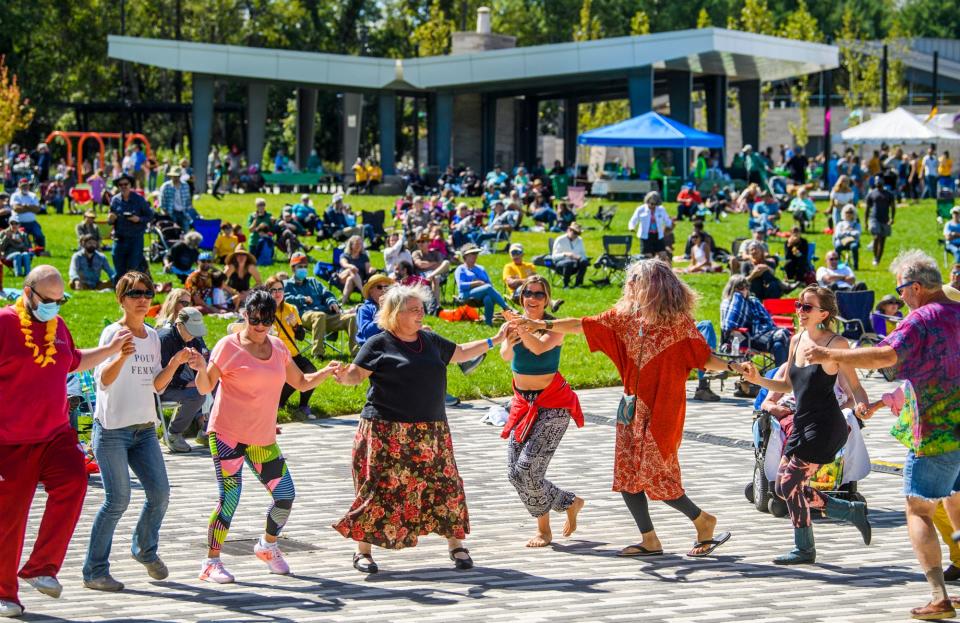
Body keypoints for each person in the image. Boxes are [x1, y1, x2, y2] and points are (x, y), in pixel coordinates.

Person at [517, 259, 734, 558]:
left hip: (662, 410)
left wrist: (733, 366)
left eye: (635, 280)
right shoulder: (624, 318)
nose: (629, 285)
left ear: (654, 286)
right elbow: (582, 324)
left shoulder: (677, 325)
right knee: (628, 475)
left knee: (657, 473)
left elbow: (702, 357)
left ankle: (703, 520)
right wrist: (542, 324)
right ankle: (650, 539)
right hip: (631, 409)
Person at [804, 250, 960, 620]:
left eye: (901, 290)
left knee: (919, 508)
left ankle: (939, 597)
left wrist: (832, 355)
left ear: (916, 287)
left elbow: (885, 356)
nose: (900, 297)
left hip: (935, 432)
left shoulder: (919, 320)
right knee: (954, 496)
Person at [332, 284, 510, 573]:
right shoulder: (379, 343)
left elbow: (461, 352)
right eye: (414, 309)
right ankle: (362, 552)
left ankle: (456, 545)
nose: (421, 314)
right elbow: (356, 374)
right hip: (386, 431)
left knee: (445, 486)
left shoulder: (429, 340)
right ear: (395, 314)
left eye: (421, 308)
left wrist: (495, 339)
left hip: (431, 432)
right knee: (376, 489)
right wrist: (342, 376)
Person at [0, 265, 132, 617]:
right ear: (27, 293)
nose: (54, 308)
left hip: (54, 434)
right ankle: (5, 593)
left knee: (75, 479)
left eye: (61, 301)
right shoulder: (4, 324)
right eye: (48, 301)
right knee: (10, 519)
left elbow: (73, 362)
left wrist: (111, 350)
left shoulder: (57, 326)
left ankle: (41, 567)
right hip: (9, 442)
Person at [191, 290, 338, 582]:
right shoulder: (228, 346)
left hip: (261, 438)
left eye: (267, 320)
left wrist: (327, 371)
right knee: (229, 499)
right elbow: (205, 386)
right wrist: (198, 368)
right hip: (227, 435)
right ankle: (211, 562)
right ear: (244, 315)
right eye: (255, 319)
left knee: (285, 496)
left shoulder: (278, 347)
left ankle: (268, 545)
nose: (260, 326)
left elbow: (301, 381)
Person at [739, 286, 871, 566]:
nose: (800, 311)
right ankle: (847, 512)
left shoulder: (837, 345)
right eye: (798, 305)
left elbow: (856, 387)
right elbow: (787, 385)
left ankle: (808, 546)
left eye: (807, 307)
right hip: (801, 423)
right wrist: (758, 380)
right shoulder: (796, 340)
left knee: (788, 484)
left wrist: (862, 406)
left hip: (825, 426)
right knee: (783, 489)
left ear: (823, 313)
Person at [83, 272, 192, 591]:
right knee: (117, 500)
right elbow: (102, 380)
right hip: (112, 431)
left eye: (148, 293)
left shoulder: (153, 336)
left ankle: (144, 550)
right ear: (122, 299)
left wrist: (173, 364)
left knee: (160, 493)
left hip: (144, 430)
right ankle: (94, 571)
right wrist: (121, 356)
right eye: (135, 294)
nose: (143, 299)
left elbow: (156, 385)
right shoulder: (112, 333)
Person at [498, 276, 584, 547]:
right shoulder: (513, 325)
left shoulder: (553, 327)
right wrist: (509, 337)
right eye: (527, 293)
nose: (532, 299)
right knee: (514, 473)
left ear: (547, 299)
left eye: (538, 294)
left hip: (553, 404)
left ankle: (543, 531)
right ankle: (569, 502)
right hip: (523, 404)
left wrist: (521, 329)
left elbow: (538, 348)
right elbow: (505, 356)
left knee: (527, 470)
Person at [265, 275, 319, 420]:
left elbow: (301, 337)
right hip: (274, 355)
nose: (277, 293)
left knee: (311, 372)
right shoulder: (264, 311)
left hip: (292, 353)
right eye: (273, 290)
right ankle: (280, 403)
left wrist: (295, 324)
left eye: (280, 289)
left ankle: (303, 406)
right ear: (267, 292)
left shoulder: (290, 309)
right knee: (292, 377)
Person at [284, 252, 357, 358]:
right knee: (319, 315)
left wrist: (332, 302)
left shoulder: (313, 282)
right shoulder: (286, 284)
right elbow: (285, 299)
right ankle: (318, 353)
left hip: (325, 316)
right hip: (303, 316)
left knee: (352, 317)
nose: (303, 269)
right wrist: (302, 299)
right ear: (293, 268)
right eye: (300, 267)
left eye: (305, 267)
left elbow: (327, 294)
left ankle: (356, 352)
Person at [157, 306, 211, 452]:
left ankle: (208, 428)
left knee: (213, 383)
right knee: (197, 395)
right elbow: (159, 376)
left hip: (181, 382)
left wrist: (201, 375)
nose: (193, 335)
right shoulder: (164, 340)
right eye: (190, 330)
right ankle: (173, 434)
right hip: (162, 388)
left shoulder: (195, 340)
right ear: (179, 325)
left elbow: (200, 367)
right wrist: (186, 383)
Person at [721, 274, 790, 367]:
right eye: (740, 287)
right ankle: (782, 376)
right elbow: (728, 325)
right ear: (732, 288)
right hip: (743, 339)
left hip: (761, 336)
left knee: (778, 345)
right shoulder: (729, 304)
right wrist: (738, 298)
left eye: (746, 287)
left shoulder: (752, 301)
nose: (744, 290)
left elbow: (768, 321)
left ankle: (782, 374)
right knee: (781, 340)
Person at [109, 173, 153, 278]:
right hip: (119, 238)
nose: (123, 186)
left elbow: (150, 215)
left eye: (126, 184)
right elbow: (111, 219)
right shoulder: (115, 200)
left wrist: (138, 219)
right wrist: (111, 219)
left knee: (133, 268)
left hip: (135, 238)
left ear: (130, 185)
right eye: (120, 185)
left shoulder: (139, 199)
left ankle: (131, 291)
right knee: (119, 269)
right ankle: (120, 291)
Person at [453, 245, 511, 326]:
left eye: (476, 253)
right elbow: (461, 286)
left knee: (488, 298)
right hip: (465, 295)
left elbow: (489, 283)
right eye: (472, 254)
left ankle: (488, 323)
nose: (475, 255)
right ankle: (506, 308)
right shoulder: (460, 269)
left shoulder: (481, 268)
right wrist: (478, 283)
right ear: (465, 256)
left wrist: (481, 285)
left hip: (482, 293)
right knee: (487, 288)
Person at [627, 191, 673, 256]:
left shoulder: (661, 209)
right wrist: (631, 227)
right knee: (648, 256)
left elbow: (667, 220)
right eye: (651, 203)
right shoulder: (640, 209)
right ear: (647, 201)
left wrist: (670, 225)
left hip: (658, 235)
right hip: (645, 236)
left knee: (663, 255)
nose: (652, 205)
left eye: (655, 204)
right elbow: (633, 220)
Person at [865, 174, 895, 266]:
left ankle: (878, 259)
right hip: (874, 218)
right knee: (876, 237)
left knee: (882, 240)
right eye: (876, 180)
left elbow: (893, 207)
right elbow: (867, 209)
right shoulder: (871, 194)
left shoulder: (889, 194)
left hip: (885, 219)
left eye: (879, 180)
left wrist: (892, 218)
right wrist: (866, 222)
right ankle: (875, 256)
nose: (878, 182)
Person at [338, 235, 375, 305]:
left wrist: (371, 269)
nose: (359, 246)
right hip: (342, 277)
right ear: (351, 245)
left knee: (350, 279)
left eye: (360, 244)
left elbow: (368, 270)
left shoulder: (364, 257)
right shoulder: (345, 255)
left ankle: (343, 302)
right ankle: (364, 292)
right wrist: (351, 266)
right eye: (357, 243)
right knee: (351, 271)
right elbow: (343, 264)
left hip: (357, 280)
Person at [550, 222, 590, 288]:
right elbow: (554, 257)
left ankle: (578, 284)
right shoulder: (560, 240)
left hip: (576, 263)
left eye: (578, 233)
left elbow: (583, 254)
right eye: (574, 233)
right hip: (560, 265)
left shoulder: (580, 240)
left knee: (584, 261)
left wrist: (581, 258)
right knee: (569, 262)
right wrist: (565, 254)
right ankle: (566, 285)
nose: (576, 235)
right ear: (569, 230)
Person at [9, 178, 45, 250]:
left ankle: (40, 250)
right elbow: (16, 209)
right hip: (18, 223)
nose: (25, 187)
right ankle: (26, 250)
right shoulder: (15, 196)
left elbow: (37, 209)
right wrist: (31, 208)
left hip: (32, 222)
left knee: (39, 235)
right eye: (23, 186)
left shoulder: (33, 195)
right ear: (19, 186)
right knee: (23, 237)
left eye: (26, 185)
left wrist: (24, 206)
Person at [158, 166, 192, 231]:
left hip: (183, 212)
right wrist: (165, 212)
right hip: (171, 213)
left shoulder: (185, 185)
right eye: (174, 176)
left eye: (177, 176)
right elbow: (162, 201)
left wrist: (189, 210)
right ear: (171, 176)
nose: (175, 178)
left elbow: (188, 200)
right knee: (173, 232)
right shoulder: (165, 186)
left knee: (186, 230)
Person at [833, 204, 863, 270]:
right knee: (837, 246)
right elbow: (837, 234)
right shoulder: (840, 224)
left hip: (853, 242)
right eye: (847, 212)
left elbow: (858, 234)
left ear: (854, 213)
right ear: (844, 213)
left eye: (851, 212)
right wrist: (849, 232)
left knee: (854, 246)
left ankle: (855, 265)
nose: (849, 214)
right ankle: (838, 264)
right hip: (842, 241)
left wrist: (845, 232)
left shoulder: (857, 224)